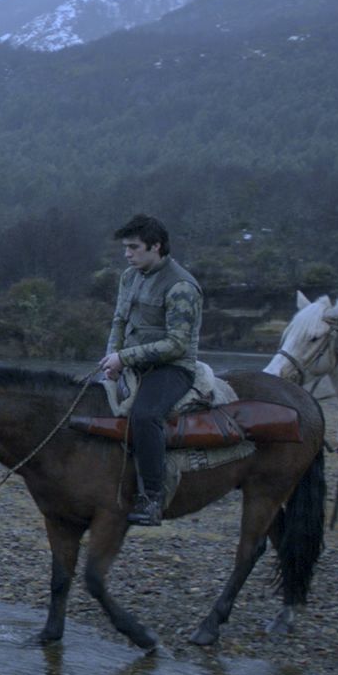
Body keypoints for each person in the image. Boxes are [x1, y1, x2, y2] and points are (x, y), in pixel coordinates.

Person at [99, 214, 202, 527]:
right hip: (130, 361)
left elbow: (177, 344)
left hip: (171, 368)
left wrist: (124, 358)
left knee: (145, 415)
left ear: (156, 246)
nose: (127, 254)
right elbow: (119, 321)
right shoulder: (129, 277)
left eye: (134, 247)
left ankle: (153, 498)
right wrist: (110, 360)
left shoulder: (181, 286)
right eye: (125, 248)